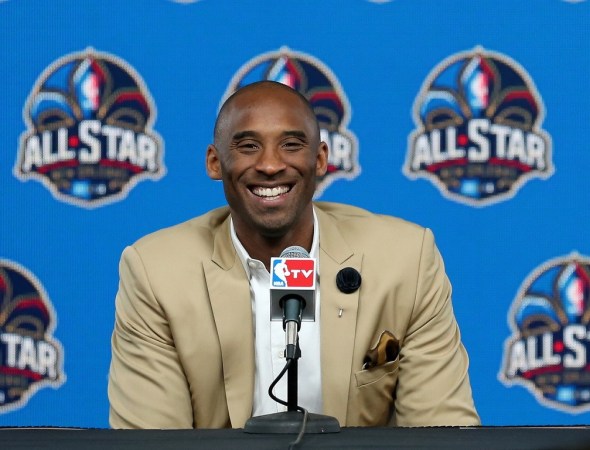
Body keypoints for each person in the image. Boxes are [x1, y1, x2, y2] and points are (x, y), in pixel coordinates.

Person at [108, 80, 480, 429]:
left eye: (291, 145)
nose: (270, 165)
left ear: (320, 159)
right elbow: (154, 443)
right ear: (215, 163)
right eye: (248, 146)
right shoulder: (156, 272)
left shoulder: (406, 260)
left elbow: (442, 433)